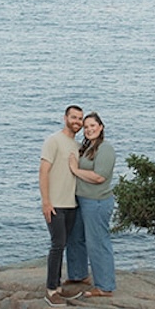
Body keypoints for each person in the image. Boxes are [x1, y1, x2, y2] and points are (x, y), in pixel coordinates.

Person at [63, 113, 117, 296]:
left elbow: (99, 177)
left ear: (101, 127)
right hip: (80, 200)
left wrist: (75, 170)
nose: (89, 129)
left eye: (93, 125)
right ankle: (78, 275)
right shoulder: (87, 147)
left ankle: (104, 286)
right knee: (75, 237)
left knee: (98, 243)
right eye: (86, 127)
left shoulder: (105, 148)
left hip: (97, 202)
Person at [39, 104, 84, 304]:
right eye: (73, 117)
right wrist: (46, 201)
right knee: (57, 245)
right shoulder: (53, 141)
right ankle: (51, 291)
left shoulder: (76, 145)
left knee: (63, 244)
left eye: (80, 119)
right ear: (65, 118)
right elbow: (43, 171)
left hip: (71, 203)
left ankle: (58, 287)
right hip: (55, 203)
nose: (77, 121)